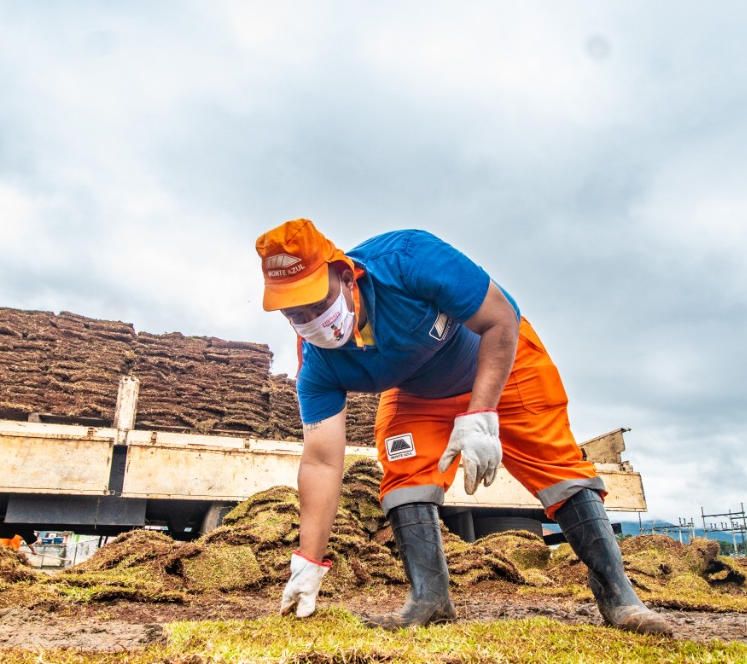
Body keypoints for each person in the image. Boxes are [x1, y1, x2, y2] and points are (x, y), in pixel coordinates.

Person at [258, 219, 672, 636]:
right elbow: (322, 463)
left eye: (317, 302)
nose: (312, 320)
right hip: (420, 392)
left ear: (346, 276)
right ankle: (429, 600)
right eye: (295, 313)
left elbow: (501, 320)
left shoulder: (409, 259)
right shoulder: (318, 365)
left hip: (501, 363)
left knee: (557, 467)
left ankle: (620, 598)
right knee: (405, 474)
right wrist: (308, 563)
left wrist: (480, 413)